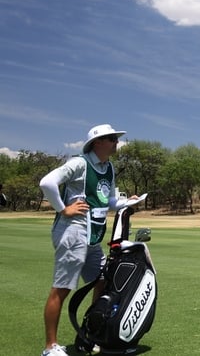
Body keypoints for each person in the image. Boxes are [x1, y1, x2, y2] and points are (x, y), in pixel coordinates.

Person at [39, 124, 138, 356]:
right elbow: (47, 182)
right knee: (62, 289)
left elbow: (109, 201)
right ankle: (50, 347)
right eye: (112, 138)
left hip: (92, 237)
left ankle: (92, 334)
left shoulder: (109, 167)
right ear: (97, 142)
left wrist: (127, 202)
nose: (116, 142)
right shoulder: (79, 163)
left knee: (102, 283)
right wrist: (63, 209)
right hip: (72, 233)